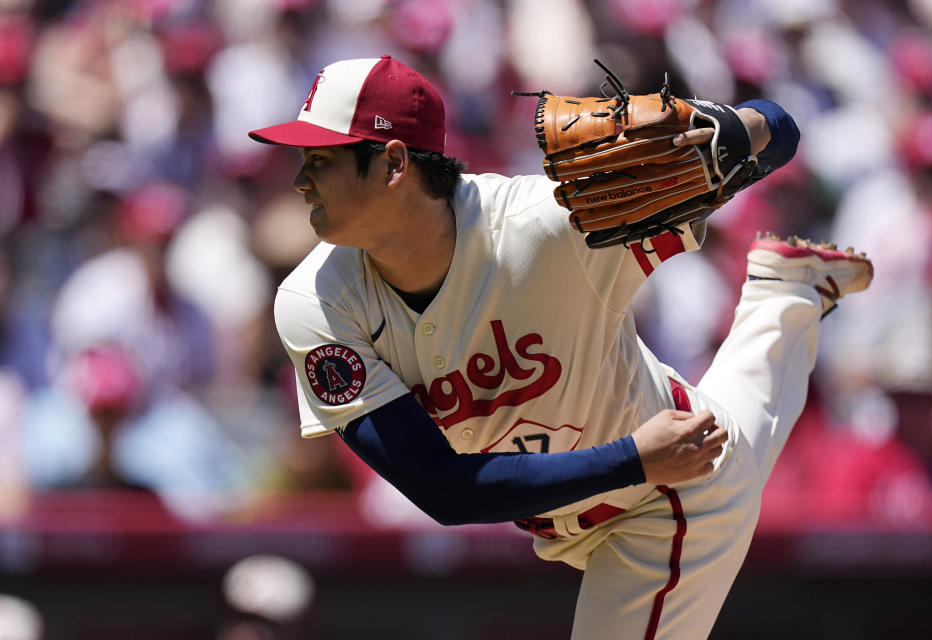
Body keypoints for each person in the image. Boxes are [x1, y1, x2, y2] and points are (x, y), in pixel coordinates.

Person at [248, 55, 873, 639]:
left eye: (321, 158)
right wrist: (634, 457)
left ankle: (785, 296)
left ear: (391, 164)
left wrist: (744, 127)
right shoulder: (317, 304)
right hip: (651, 456)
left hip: (666, 497)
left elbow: (781, 131)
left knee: (725, 461)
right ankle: (786, 291)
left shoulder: (555, 223)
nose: (301, 179)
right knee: (731, 434)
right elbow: (443, 490)